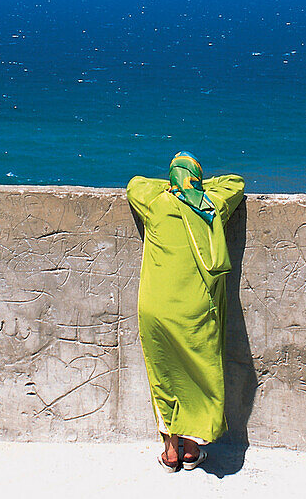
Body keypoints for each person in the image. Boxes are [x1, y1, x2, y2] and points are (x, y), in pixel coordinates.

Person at [126, 152, 245, 472]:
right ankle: (192, 449)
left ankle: (170, 452)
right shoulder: (211, 206)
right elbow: (235, 183)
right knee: (200, 374)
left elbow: (135, 184)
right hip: (196, 308)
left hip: (157, 308)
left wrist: (170, 187)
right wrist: (198, 189)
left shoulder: (156, 204)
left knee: (163, 376)